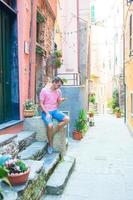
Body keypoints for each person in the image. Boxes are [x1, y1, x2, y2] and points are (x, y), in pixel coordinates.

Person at [39, 76, 69, 154]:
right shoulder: (44, 90)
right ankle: (50, 145)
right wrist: (47, 113)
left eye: (60, 86)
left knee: (67, 119)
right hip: (46, 112)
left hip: (55, 111)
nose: (59, 87)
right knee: (50, 125)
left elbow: (57, 103)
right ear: (54, 82)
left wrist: (60, 100)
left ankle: (52, 133)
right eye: (58, 85)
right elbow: (41, 104)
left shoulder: (59, 91)